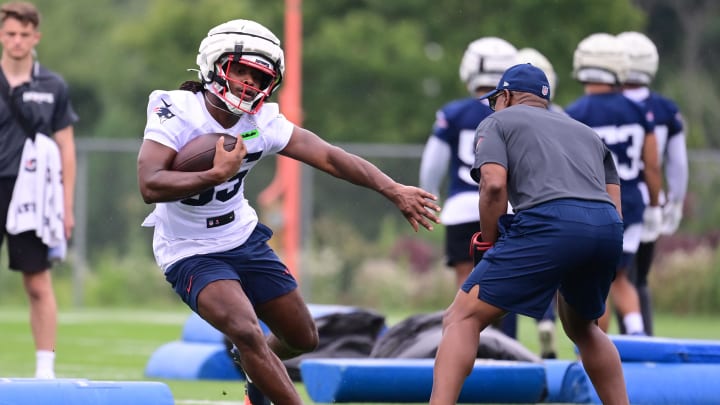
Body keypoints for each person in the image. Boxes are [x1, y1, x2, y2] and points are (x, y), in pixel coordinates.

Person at [136, 19, 440, 405]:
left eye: (259, 77)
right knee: (246, 331)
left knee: (302, 337)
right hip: (189, 248)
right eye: (241, 70)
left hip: (242, 236)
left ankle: (255, 375)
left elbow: (330, 156)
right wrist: (216, 173)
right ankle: (260, 365)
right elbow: (150, 184)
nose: (248, 83)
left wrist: (391, 188)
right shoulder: (176, 108)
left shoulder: (261, 121)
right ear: (215, 65)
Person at [430, 63, 629, 405]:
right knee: (584, 329)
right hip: (606, 230)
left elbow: (493, 185)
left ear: (505, 96)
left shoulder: (497, 121)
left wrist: (489, 241)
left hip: (550, 221)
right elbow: (614, 204)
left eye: (496, 100)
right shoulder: (586, 132)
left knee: (461, 317)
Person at [565, 33, 662, 335]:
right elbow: (652, 163)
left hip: (593, 206)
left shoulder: (575, 113)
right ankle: (638, 338)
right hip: (632, 202)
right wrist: (656, 203)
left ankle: (596, 349)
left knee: (597, 284)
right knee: (621, 278)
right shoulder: (637, 110)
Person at [0, 1, 77, 379]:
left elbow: (66, 146)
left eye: (24, 34)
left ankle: (44, 371)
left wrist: (67, 205)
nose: (17, 41)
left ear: (36, 37)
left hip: (33, 193)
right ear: (1, 35)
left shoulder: (53, 85)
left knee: (37, 281)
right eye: (10, 33)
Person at [419, 36, 517, 290]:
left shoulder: (455, 113)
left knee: (466, 278)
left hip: (462, 205)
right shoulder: (516, 114)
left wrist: (429, 195)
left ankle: (466, 329)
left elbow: (433, 162)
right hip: (506, 204)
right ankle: (504, 332)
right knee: (504, 280)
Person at [615, 31, 688, 336]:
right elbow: (676, 162)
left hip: (603, 199)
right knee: (636, 279)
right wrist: (673, 202)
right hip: (644, 199)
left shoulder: (603, 104)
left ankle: (622, 344)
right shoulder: (665, 110)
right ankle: (644, 344)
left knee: (610, 279)